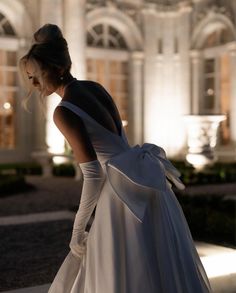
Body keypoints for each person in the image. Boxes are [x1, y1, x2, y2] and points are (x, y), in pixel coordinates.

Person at [20, 24, 212, 293]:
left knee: (125, 268)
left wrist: (78, 229)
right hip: (144, 184)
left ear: (59, 68)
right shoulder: (96, 88)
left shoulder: (63, 112)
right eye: (31, 78)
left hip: (119, 194)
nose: (35, 83)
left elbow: (93, 174)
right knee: (157, 263)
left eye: (37, 75)